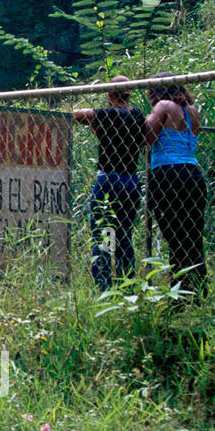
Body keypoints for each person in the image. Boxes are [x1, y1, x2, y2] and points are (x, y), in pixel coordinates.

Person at [74, 76, 145, 289]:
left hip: (108, 180)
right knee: (124, 235)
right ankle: (127, 285)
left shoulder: (108, 114)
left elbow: (78, 115)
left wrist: (94, 118)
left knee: (104, 235)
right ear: (130, 93)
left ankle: (104, 287)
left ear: (109, 94)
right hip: (131, 180)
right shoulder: (137, 115)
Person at [144, 75, 207, 296]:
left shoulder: (164, 106)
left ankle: (180, 291)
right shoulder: (193, 111)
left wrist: (144, 118)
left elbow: (147, 135)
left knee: (175, 236)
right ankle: (199, 288)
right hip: (193, 174)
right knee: (193, 235)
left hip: (169, 175)